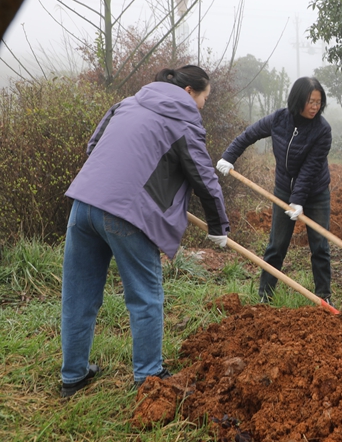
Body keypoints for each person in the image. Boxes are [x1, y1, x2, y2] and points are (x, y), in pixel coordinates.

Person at [60, 65, 230, 397]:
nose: (203, 106)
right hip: (128, 214)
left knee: (78, 295)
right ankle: (149, 376)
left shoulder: (127, 103)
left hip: (84, 202)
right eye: (205, 98)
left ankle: (73, 376)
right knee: (145, 297)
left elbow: (93, 147)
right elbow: (204, 178)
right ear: (189, 92)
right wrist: (218, 226)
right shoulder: (184, 120)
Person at [216, 77, 333, 304]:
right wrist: (229, 157)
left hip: (316, 194)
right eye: (310, 101)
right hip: (283, 190)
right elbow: (249, 134)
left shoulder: (322, 129)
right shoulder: (279, 119)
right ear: (298, 99)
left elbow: (310, 168)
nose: (315, 107)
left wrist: (298, 200)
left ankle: (324, 297)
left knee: (320, 246)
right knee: (277, 245)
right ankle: (265, 296)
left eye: (318, 102)